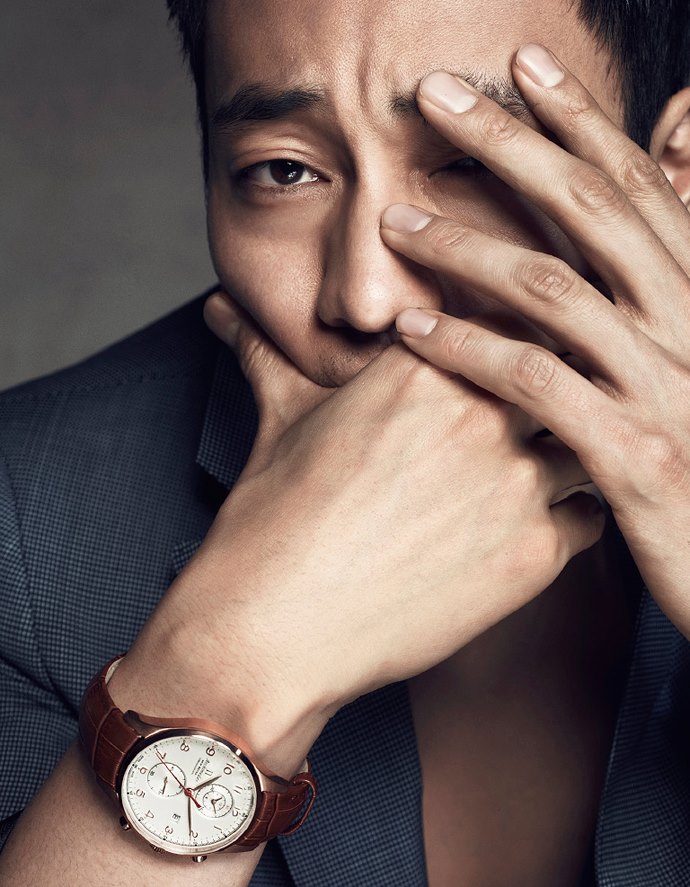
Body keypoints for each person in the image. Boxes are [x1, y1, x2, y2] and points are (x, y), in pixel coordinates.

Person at [1, 0, 690, 883]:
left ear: (673, 165)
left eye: (472, 163)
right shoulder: (25, 528)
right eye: (284, 170)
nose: (366, 296)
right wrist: (229, 665)